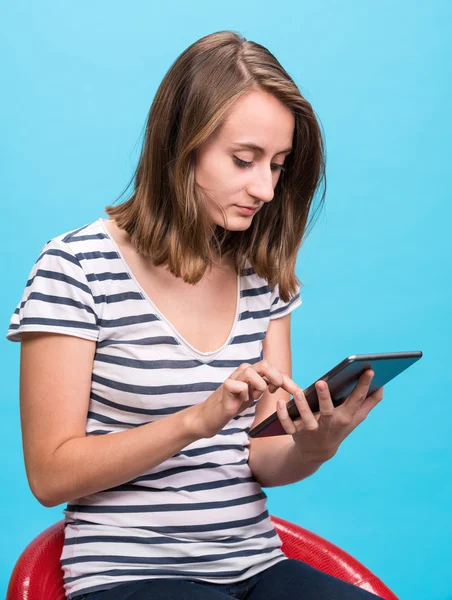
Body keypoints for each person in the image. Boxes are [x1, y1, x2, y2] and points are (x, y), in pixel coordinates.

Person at [6, 30, 385, 600]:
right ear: (181, 145)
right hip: (128, 575)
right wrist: (198, 420)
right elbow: (50, 474)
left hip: (254, 565)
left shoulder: (260, 275)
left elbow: (262, 456)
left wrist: (314, 445)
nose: (264, 188)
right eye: (244, 159)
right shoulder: (76, 266)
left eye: (278, 166)